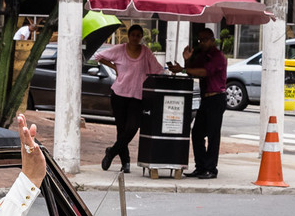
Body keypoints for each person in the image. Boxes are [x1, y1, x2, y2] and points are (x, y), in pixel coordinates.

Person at [92, 24, 166, 173]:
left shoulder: (145, 52)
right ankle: (126, 162)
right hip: (119, 94)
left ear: (141, 38)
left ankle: (111, 152)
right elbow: (98, 56)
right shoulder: (119, 49)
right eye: (133, 35)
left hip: (138, 96)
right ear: (129, 36)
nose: (135, 38)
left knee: (132, 128)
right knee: (121, 129)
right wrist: (114, 67)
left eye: (139, 35)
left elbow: (158, 69)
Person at [168, 27, 227, 179]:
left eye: (205, 40)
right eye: (200, 40)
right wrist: (187, 59)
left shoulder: (218, 57)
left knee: (213, 134)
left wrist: (183, 68)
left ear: (213, 40)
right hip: (205, 98)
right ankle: (201, 166)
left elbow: (204, 72)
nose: (202, 43)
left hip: (216, 97)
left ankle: (211, 168)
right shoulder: (202, 54)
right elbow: (191, 69)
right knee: (197, 133)